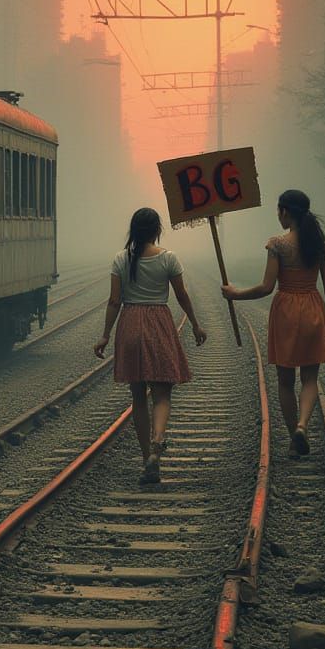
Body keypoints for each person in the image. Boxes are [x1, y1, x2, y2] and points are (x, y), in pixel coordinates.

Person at [221, 188, 325, 456]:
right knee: (310, 377)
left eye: (279, 211)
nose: (278, 217)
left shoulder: (278, 245)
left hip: (286, 309)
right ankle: (302, 424)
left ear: (285, 212)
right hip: (312, 306)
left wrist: (235, 294)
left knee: (285, 381)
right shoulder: (321, 245)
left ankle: (292, 434)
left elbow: (266, 287)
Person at [94, 207, 208, 484]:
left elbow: (114, 301)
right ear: (157, 230)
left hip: (130, 323)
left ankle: (147, 457)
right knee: (162, 393)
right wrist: (195, 323)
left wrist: (106, 335)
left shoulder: (121, 259)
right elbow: (181, 294)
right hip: (158, 322)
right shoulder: (168, 258)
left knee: (137, 396)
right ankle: (158, 441)